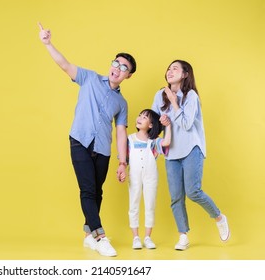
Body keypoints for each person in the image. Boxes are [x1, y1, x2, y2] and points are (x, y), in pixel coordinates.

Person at [38, 22, 137, 257]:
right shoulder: (90, 78)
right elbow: (64, 65)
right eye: (116, 62)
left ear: (128, 75)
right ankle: (100, 236)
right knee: (88, 190)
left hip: (103, 149)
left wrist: (123, 162)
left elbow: (121, 132)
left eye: (123, 67)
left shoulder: (121, 103)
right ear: (111, 64)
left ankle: (88, 236)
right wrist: (48, 43)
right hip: (80, 141)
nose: (117, 68)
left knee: (98, 192)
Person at [151, 59, 230, 250]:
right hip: (171, 152)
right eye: (169, 68)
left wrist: (173, 102)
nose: (170, 71)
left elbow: (186, 125)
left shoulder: (191, 96)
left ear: (185, 74)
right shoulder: (159, 95)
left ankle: (219, 217)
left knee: (193, 191)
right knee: (176, 196)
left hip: (191, 148)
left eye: (175, 68)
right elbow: (154, 124)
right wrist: (159, 125)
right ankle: (183, 236)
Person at [127, 109, 171, 250]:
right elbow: (124, 158)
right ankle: (136, 237)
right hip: (134, 176)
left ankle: (147, 237)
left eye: (145, 117)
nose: (140, 118)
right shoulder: (130, 139)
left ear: (151, 125)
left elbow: (167, 142)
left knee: (150, 205)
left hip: (151, 177)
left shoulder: (154, 142)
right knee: (133, 204)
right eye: (140, 115)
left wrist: (168, 126)